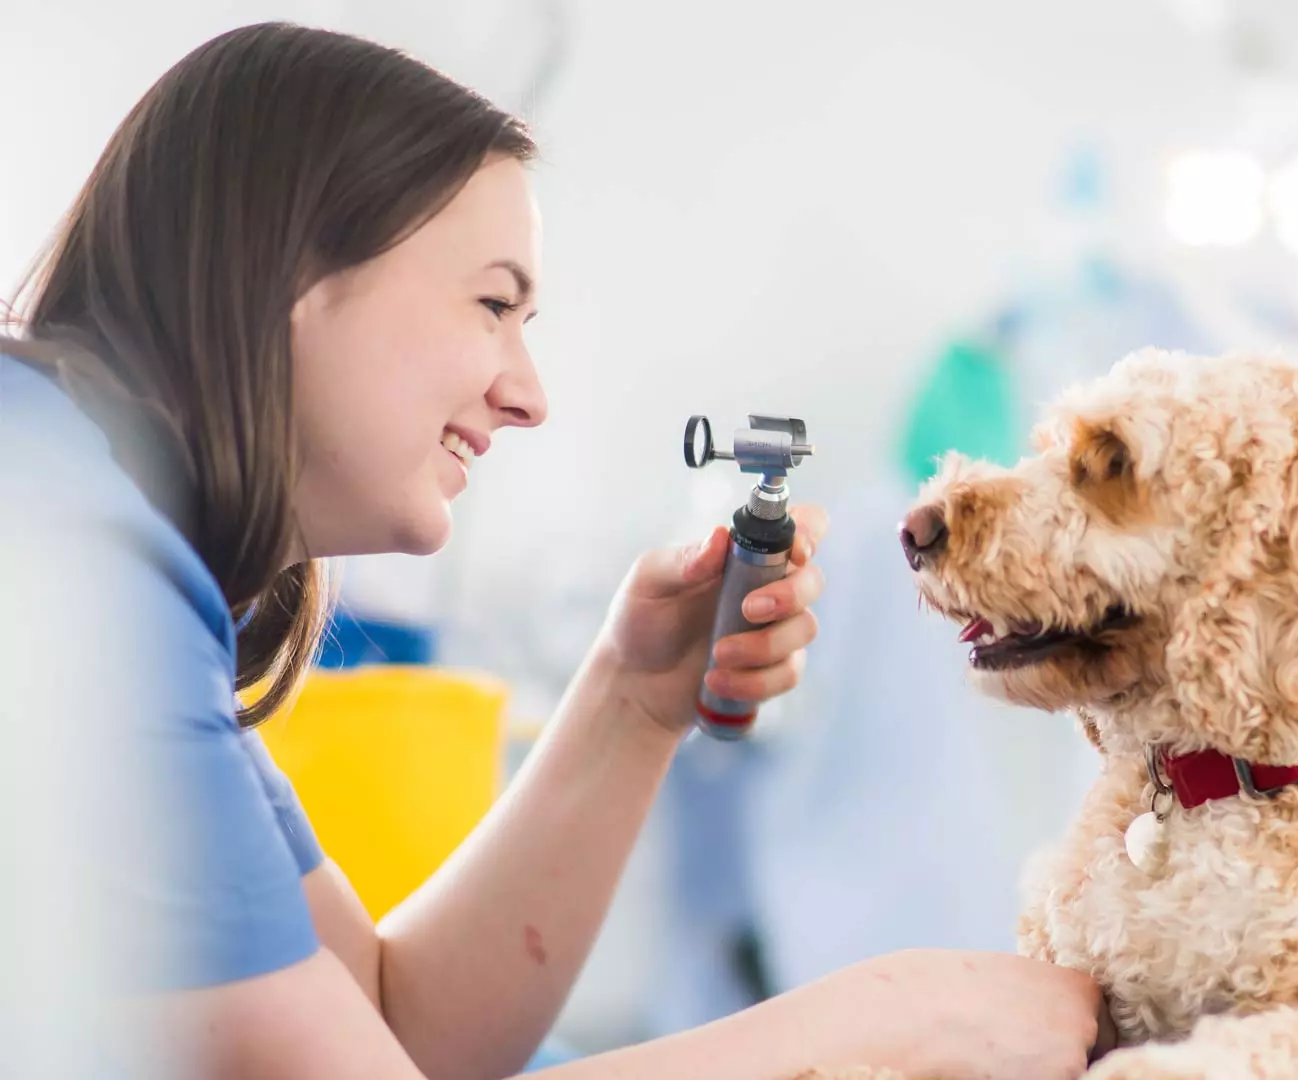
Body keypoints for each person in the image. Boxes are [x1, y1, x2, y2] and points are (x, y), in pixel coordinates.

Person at [0, 22, 1108, 1080]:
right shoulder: (67, 563)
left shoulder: (98, 544)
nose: (528, 396)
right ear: (285, 270)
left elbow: (387, 1026)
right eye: (493, 304)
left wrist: (634, 696)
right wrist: (896, 1023)